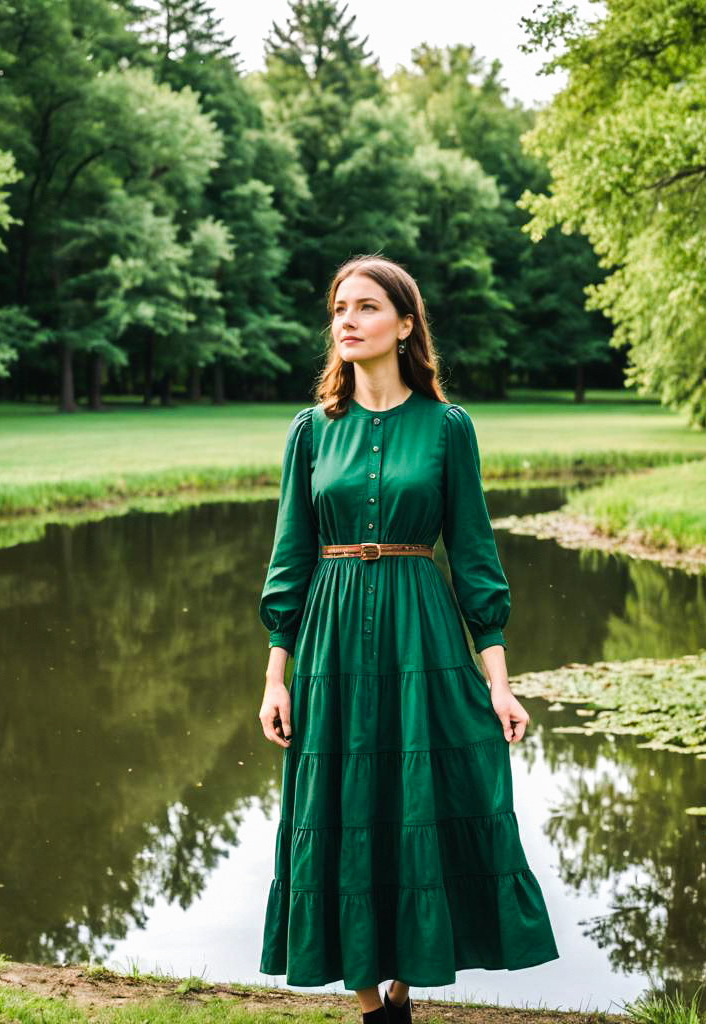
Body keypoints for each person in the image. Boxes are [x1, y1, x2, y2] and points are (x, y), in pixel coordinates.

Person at [256, 254, 559, 1023]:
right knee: (340, 801)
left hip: (421, 633)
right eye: (338, 309)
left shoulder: (448, 428)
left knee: (421, 793)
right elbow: (289, 559)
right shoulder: (309, 433)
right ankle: (374, 1007)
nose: (346, 321)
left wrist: (498, 679)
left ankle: (402, 985)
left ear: (405, 323)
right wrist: (275, 676)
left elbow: (476, 558)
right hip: (329, 641)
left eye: (364, 307)